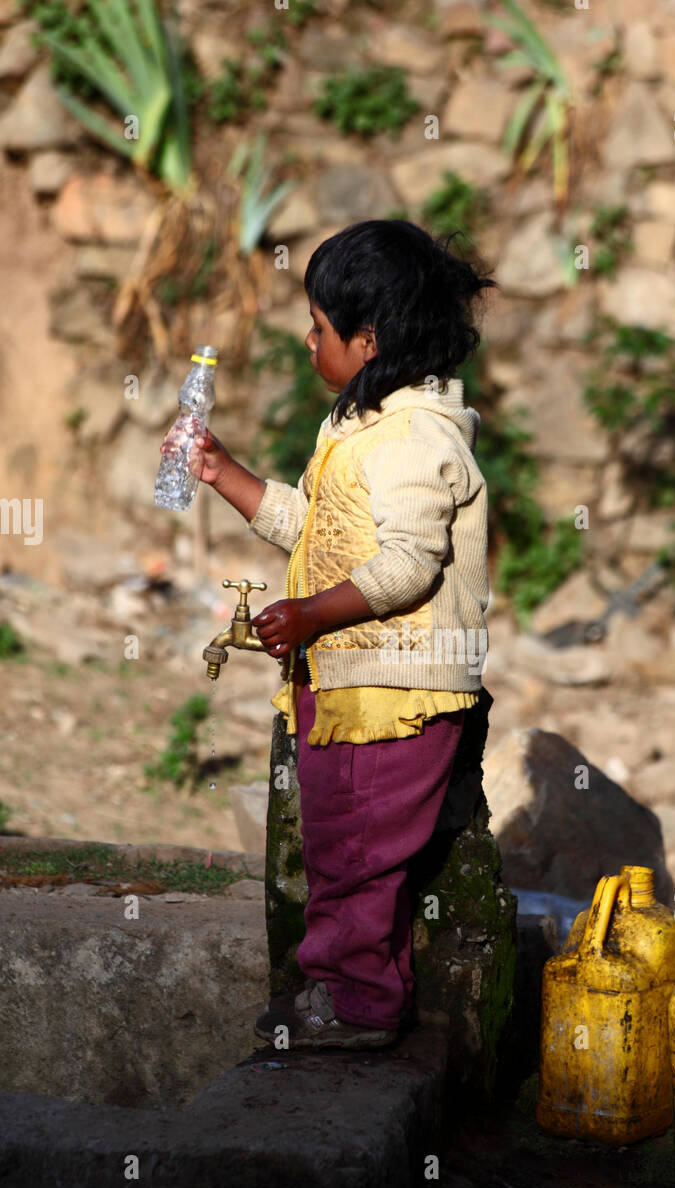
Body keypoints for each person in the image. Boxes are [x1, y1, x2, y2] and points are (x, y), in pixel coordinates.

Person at [162, 219, 497, 1050]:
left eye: (318, 328)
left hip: (395, 692)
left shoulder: (417, 439)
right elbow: (318, 530)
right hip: (351, 684)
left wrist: (309, 614)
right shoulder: (360, 428)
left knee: (353, 851)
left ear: (369, 338)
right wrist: (224, 473)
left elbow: (408, 566)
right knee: (344, 840)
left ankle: (358, 1007)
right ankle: (360, 992)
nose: (307, 341)